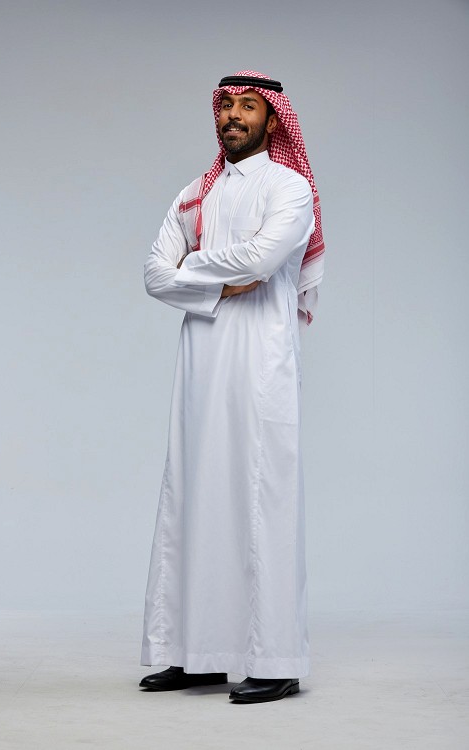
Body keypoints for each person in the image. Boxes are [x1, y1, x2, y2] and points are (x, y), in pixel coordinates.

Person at [139, 70, 324, 704]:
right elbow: (153, 274)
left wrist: (191, 269)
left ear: (272, 119)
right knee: (194, 493)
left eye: (248, 106)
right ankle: (196, 656)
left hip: (260, 360)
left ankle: (276, 659)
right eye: (226, 107)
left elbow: (263, 260)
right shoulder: (195, 194)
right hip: (200, 361)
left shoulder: (290, 187)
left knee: (260, 495)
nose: (234, 117)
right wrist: (219, 280)